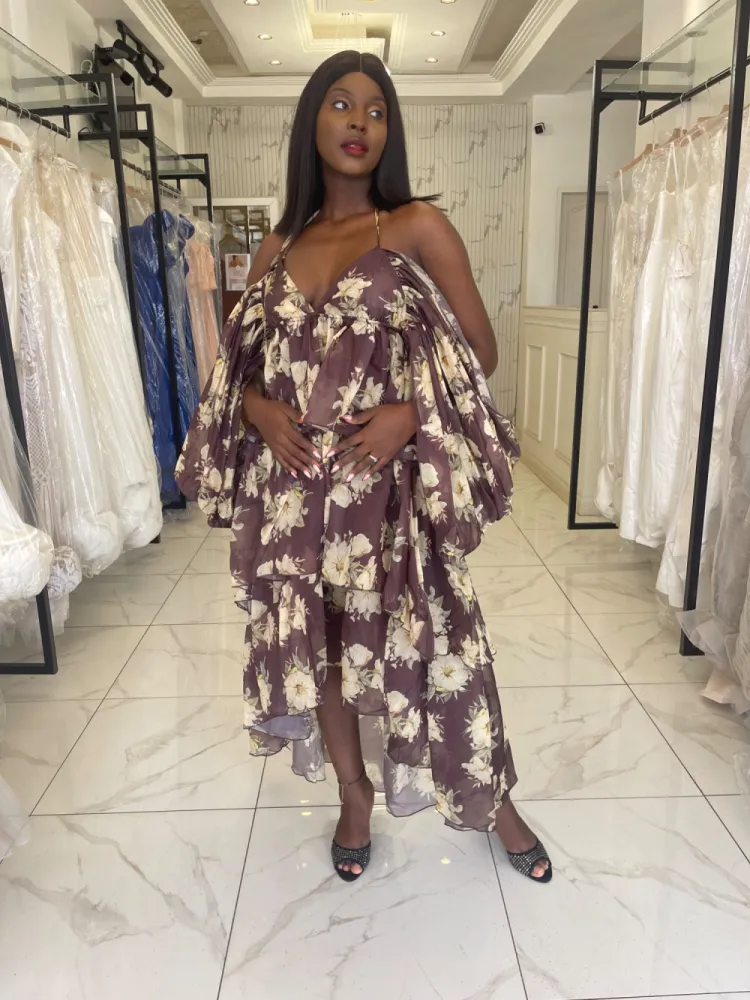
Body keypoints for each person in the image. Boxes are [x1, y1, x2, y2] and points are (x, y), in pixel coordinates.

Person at [176, 50, 551, 885]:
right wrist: (256, 410)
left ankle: (492, 799)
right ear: (311, 120)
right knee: (324, 650)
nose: (359, 123)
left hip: (389, 497)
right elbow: (237, 369)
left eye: (377, 111)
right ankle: (354, 794)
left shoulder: (413, 227)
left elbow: (478, 353)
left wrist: (408, 414)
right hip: (293, 498)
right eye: (341, 104)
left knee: (442, 641)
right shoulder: (278, 244)